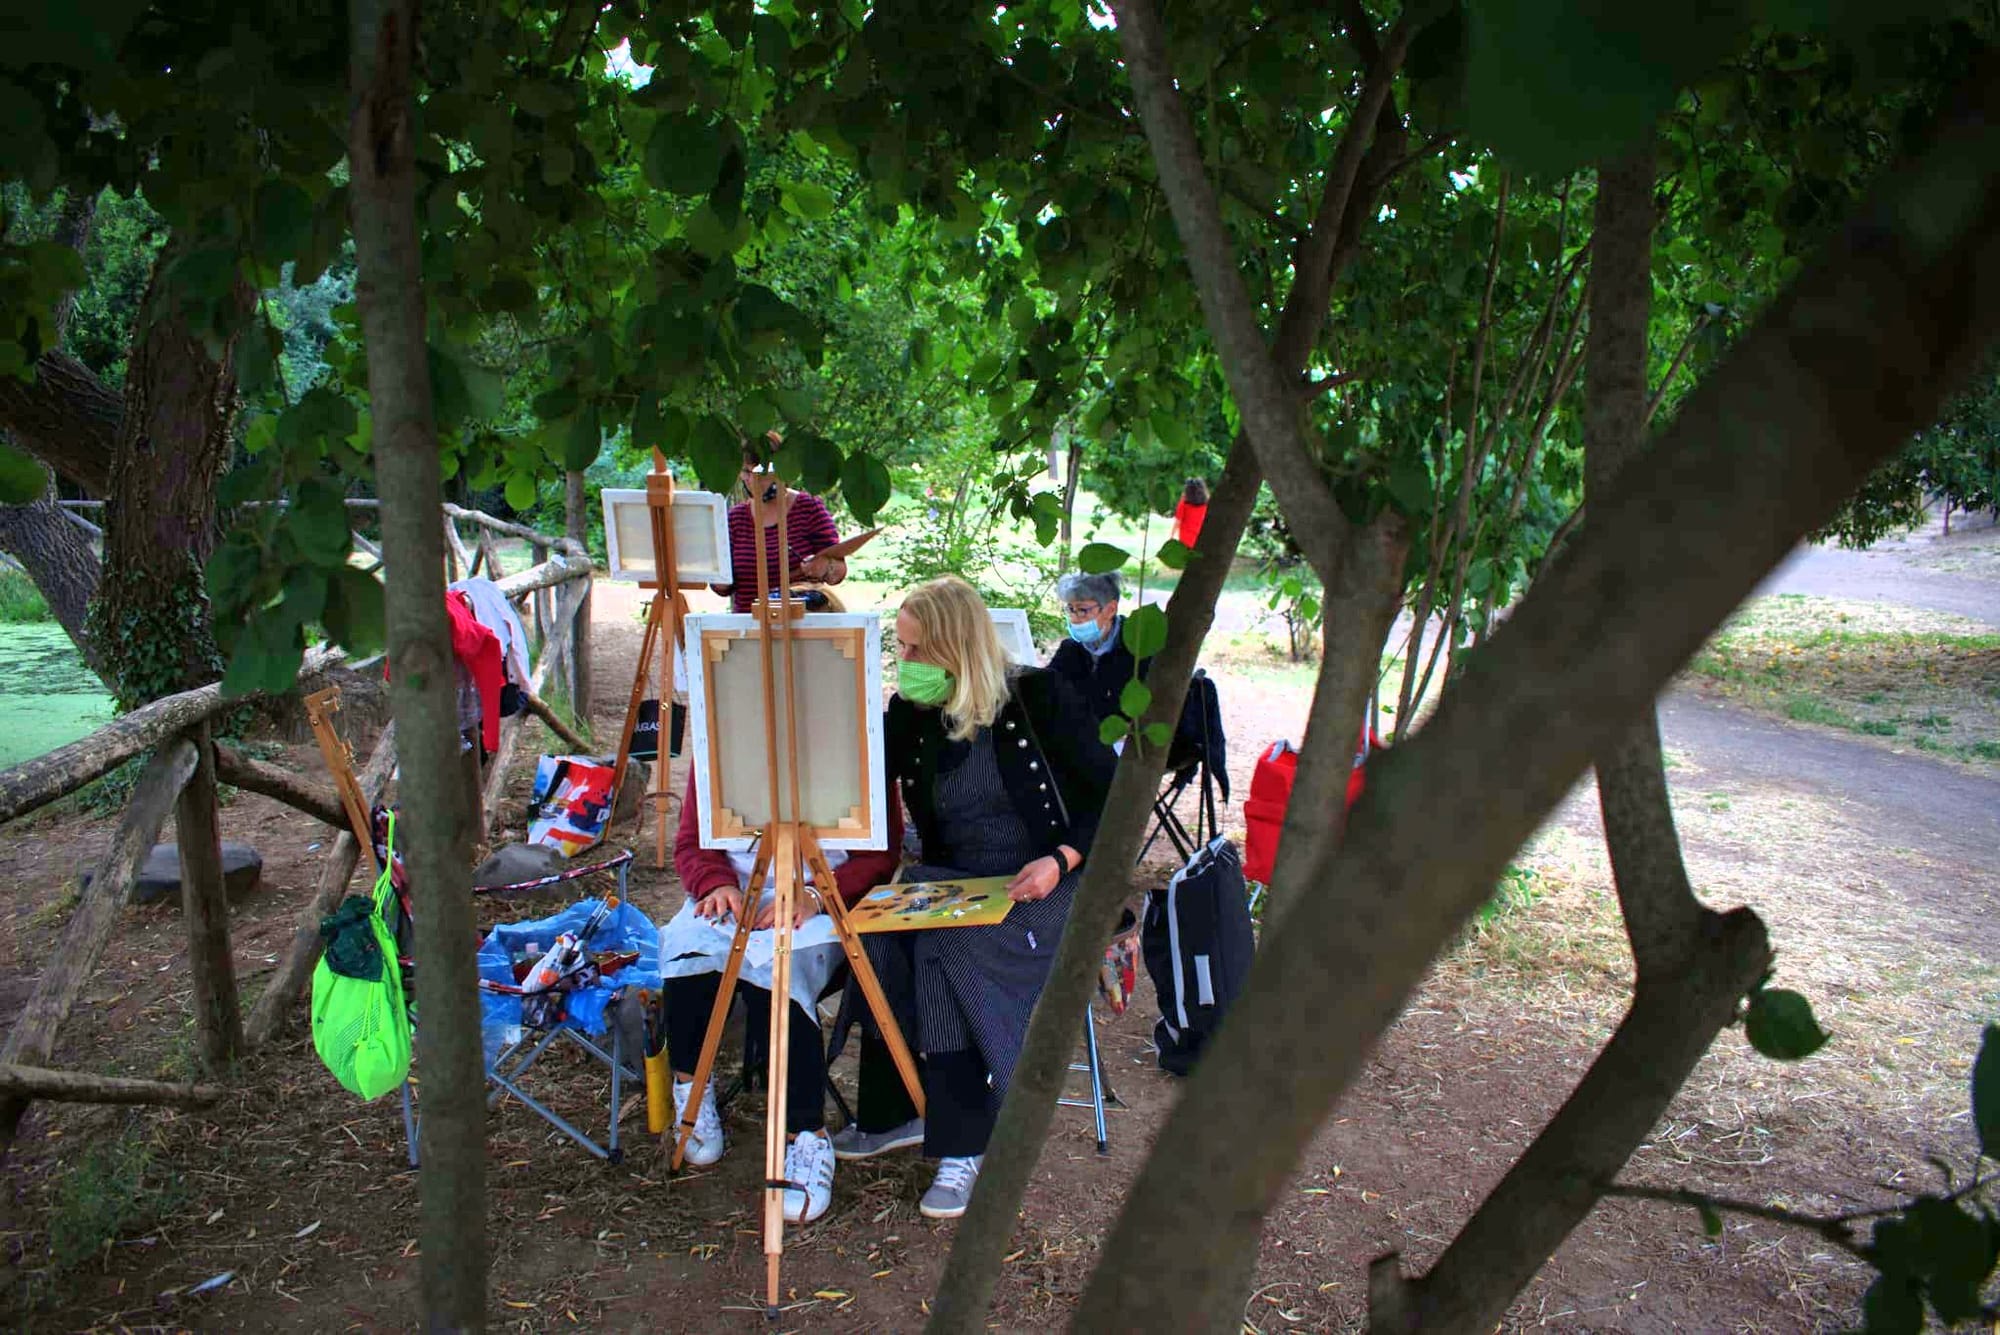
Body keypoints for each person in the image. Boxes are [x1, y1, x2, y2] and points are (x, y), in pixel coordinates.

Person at [834, 576, 1116, 1219]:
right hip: (948, 878)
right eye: (899, 650)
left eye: (914, 651)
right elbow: (861, 785)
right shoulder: (911, 712)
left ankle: (965, 1142)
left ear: (955, 648)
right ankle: (896, 1110)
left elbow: (1114, 796)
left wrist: (1060, 858)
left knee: (947, 943)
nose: (904, 665)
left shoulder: (1038, 696)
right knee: (874, 939)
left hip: (1042, 880)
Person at [658, 770, 901, 1223]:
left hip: (821, 903)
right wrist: (715, 883)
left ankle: (804, 1135)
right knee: (689, 953)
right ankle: (691, 1091)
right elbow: (692, 841)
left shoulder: (858, 737)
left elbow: (881, 854)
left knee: (780, 975)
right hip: (736, 895)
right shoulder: (721, 737)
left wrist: (816, 893)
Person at [712, 435, 847, 613]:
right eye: (746, 472)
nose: (753, 481)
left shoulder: (809, 508)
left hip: (802, 624)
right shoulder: (735, 519)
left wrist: (824, 567)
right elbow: (721, 586)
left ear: (782, 470)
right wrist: (719, 580)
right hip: (748, 625)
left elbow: (839, 570)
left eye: (761, 473)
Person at [1046, 570, 1140, 726]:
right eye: (1070, 609)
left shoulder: (1137, 647)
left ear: (1110, 609)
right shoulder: (1070, 649)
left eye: (1083, 610)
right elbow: (1048, 687)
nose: (1074, 619)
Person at [1174, 476, 1209, 550]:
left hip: (1185, 540)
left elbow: (1178, 521)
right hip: (1200, 538)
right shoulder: (1206, 505)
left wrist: (1171, 536)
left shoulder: (1183, 504)